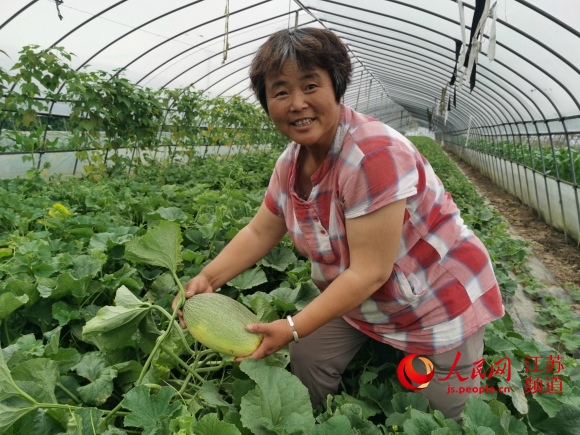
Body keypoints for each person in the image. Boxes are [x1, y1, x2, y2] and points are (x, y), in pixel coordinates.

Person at [173, 27, 504, 422]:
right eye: (280, 92)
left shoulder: (373, 155)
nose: (297, 103)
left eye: (310, 85)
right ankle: (307, 426)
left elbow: (370, 271)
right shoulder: (290, 163)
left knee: (444, 417)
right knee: (307, 354)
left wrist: (292, 325)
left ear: (336, 86)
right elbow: (261, 230)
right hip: (362, 300)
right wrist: (208, 278)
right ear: (266, 102)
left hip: (436, 298)